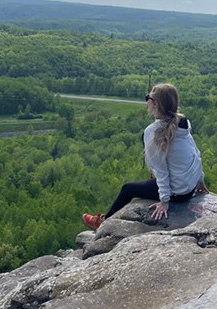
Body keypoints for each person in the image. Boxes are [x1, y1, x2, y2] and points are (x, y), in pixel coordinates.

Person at [82, 83, 208, 230]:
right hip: (190, 187)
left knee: (127, 189)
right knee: (152, 180)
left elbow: (161, 169)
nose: (146, 101)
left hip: (177, 192)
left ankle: (103, 223)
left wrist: (164, 201)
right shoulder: (183, 122)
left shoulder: (153, 132)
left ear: (155, 104)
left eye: (148, 98)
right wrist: (199, 180)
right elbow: (195, 154)